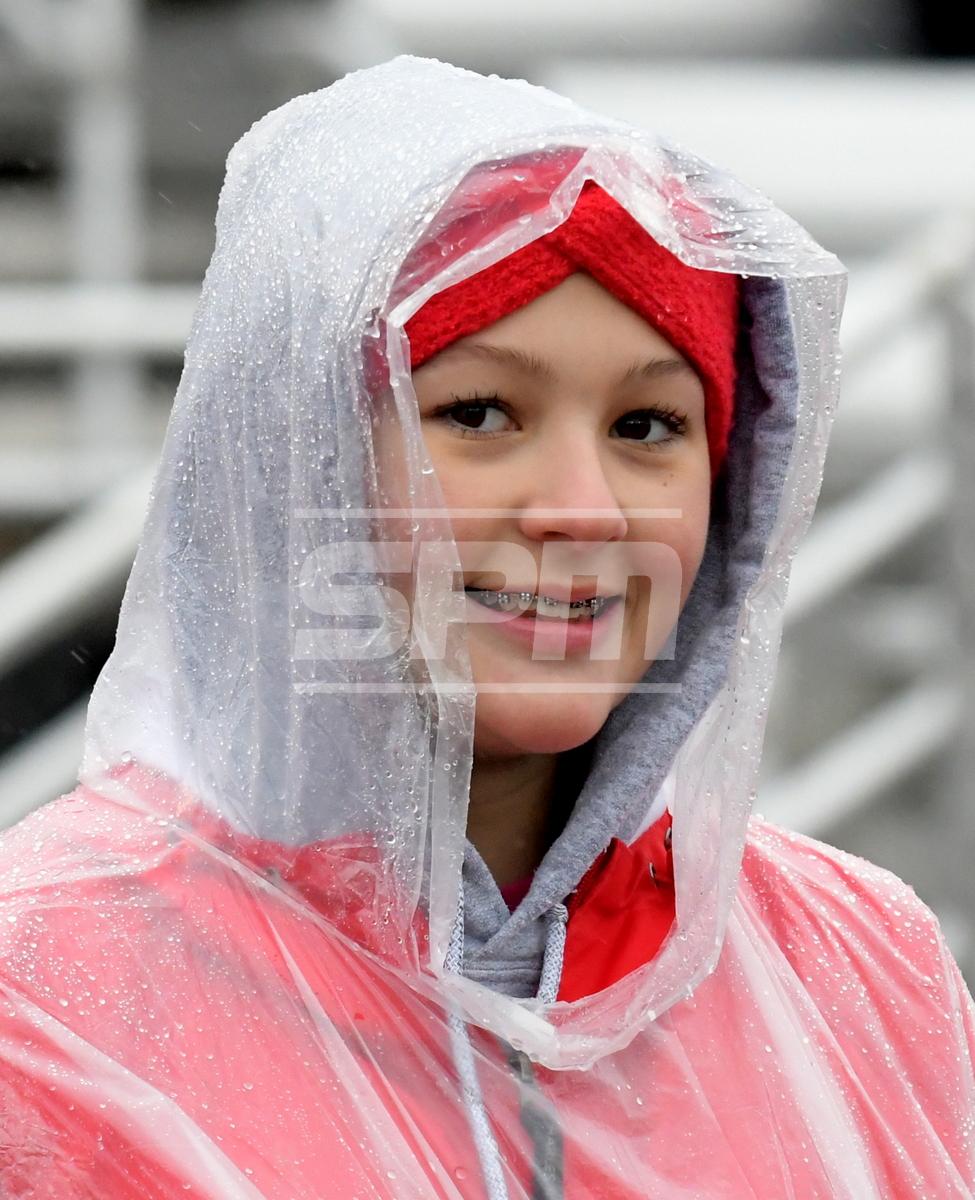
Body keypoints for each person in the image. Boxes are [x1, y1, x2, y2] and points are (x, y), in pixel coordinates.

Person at [0, 55, 972, 1198]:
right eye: (478, 412)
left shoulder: (859, 967)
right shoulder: (45, 997)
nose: (582, 509)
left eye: (648, 426)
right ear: (295, 463)